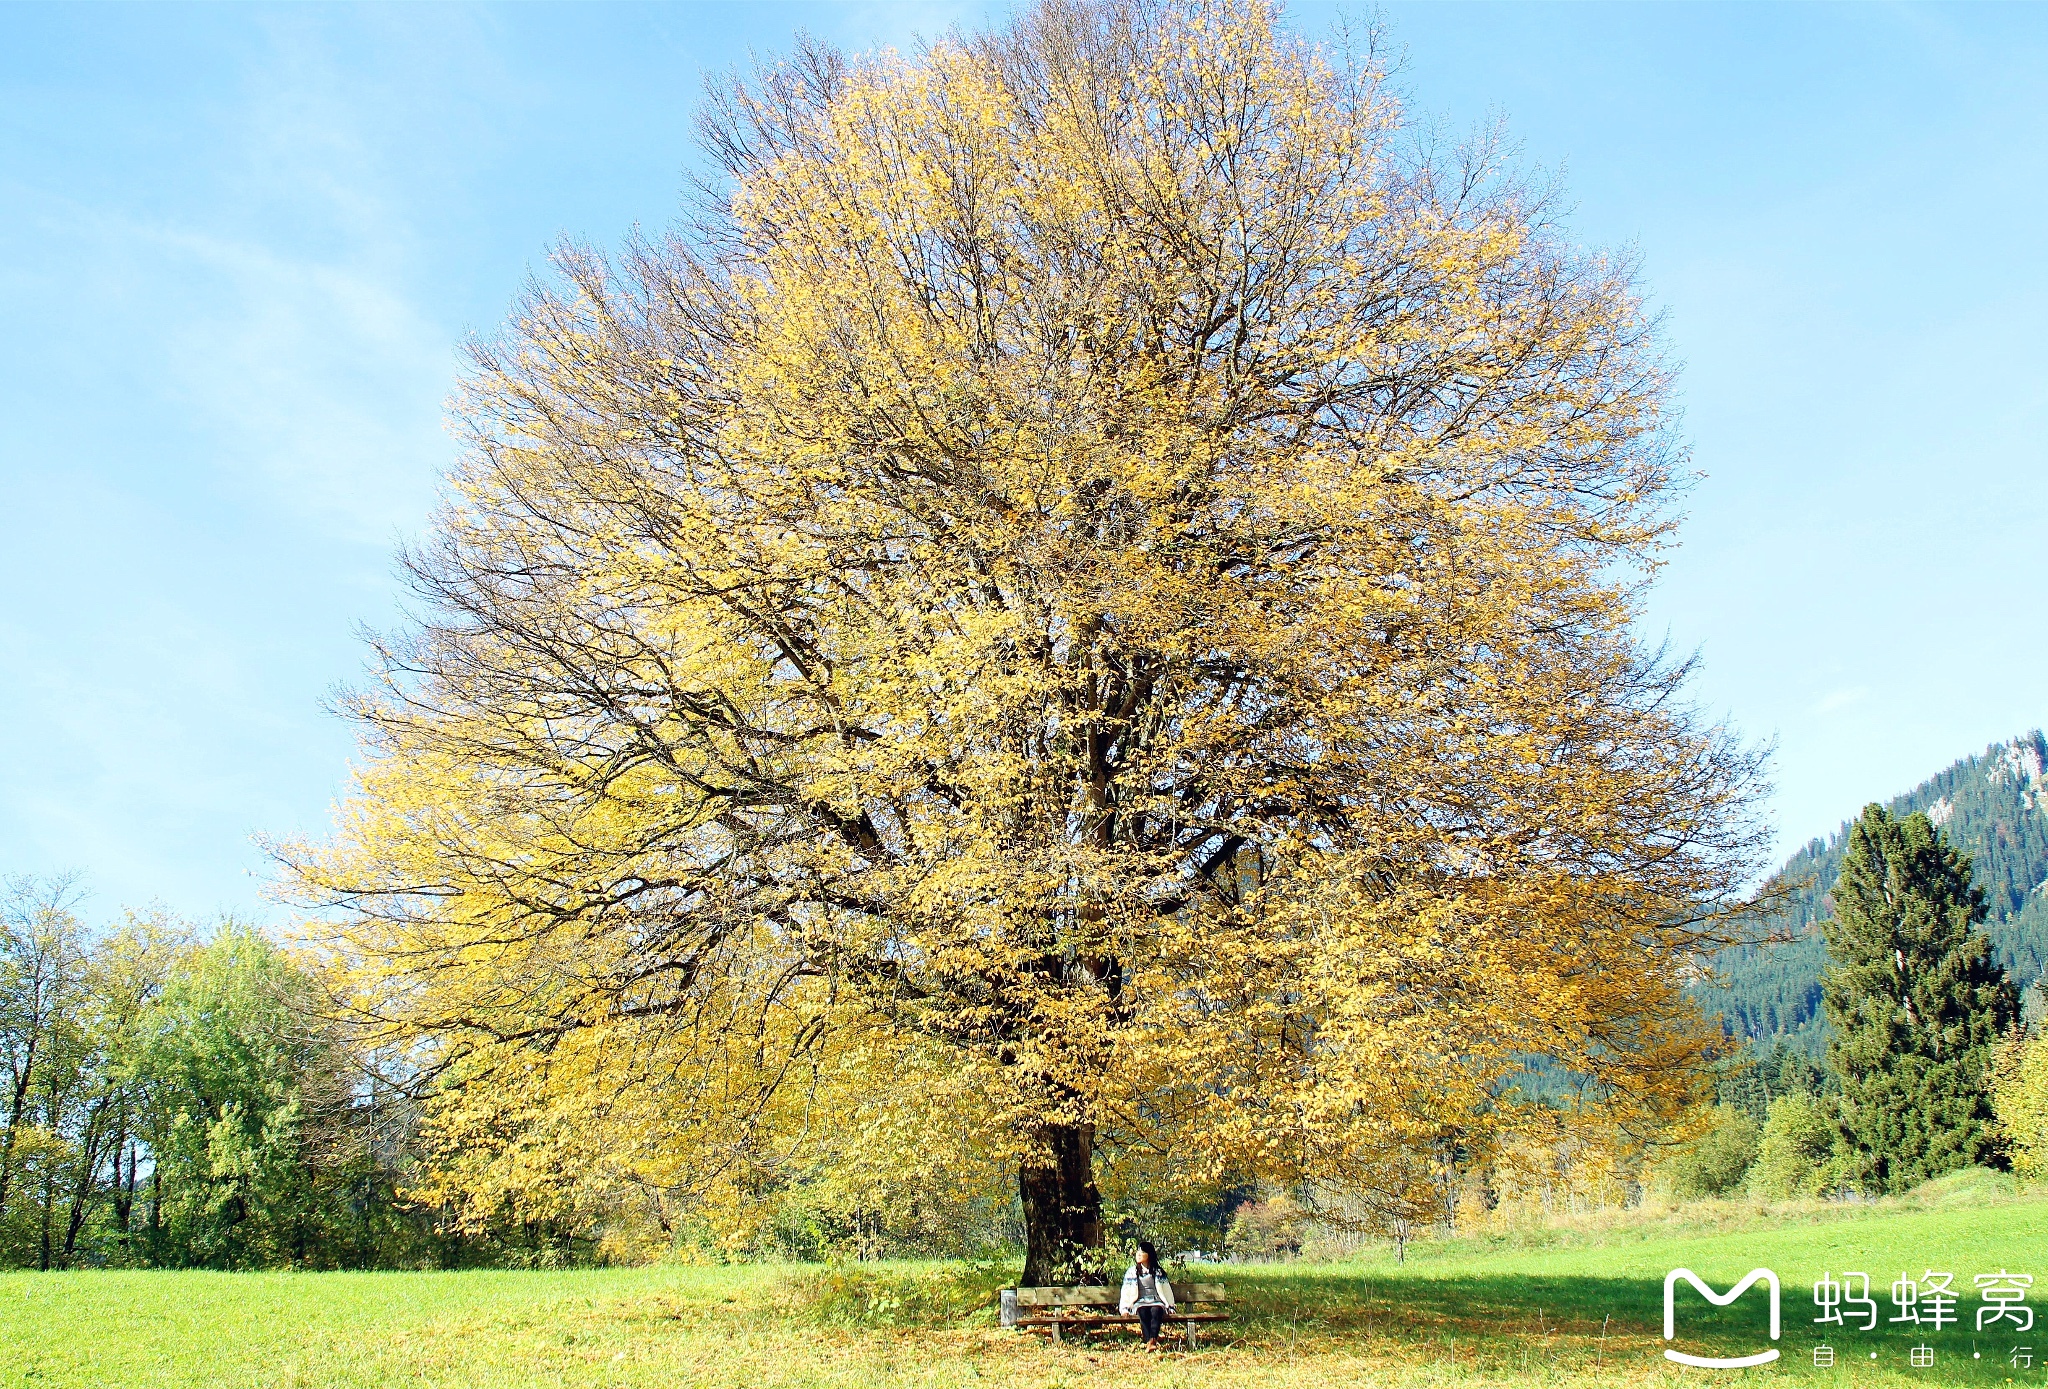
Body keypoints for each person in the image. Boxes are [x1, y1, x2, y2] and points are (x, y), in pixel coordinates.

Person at [1117, 1240, 1176, 1349]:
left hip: (1156, 1300)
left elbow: (1167, 1290)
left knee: (1156, 1310)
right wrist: (1124, 1309)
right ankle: (1149, 1340)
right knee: (1142, 1311)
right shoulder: (1132, 1272)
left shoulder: (1158, 1272)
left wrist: (1170, 1306)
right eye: (1137, 1252)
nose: (1138, 1255)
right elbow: (1126, 1291)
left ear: (1149, 1254)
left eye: (1142, 1252)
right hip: (1140, 1302)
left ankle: (1152, 1340)